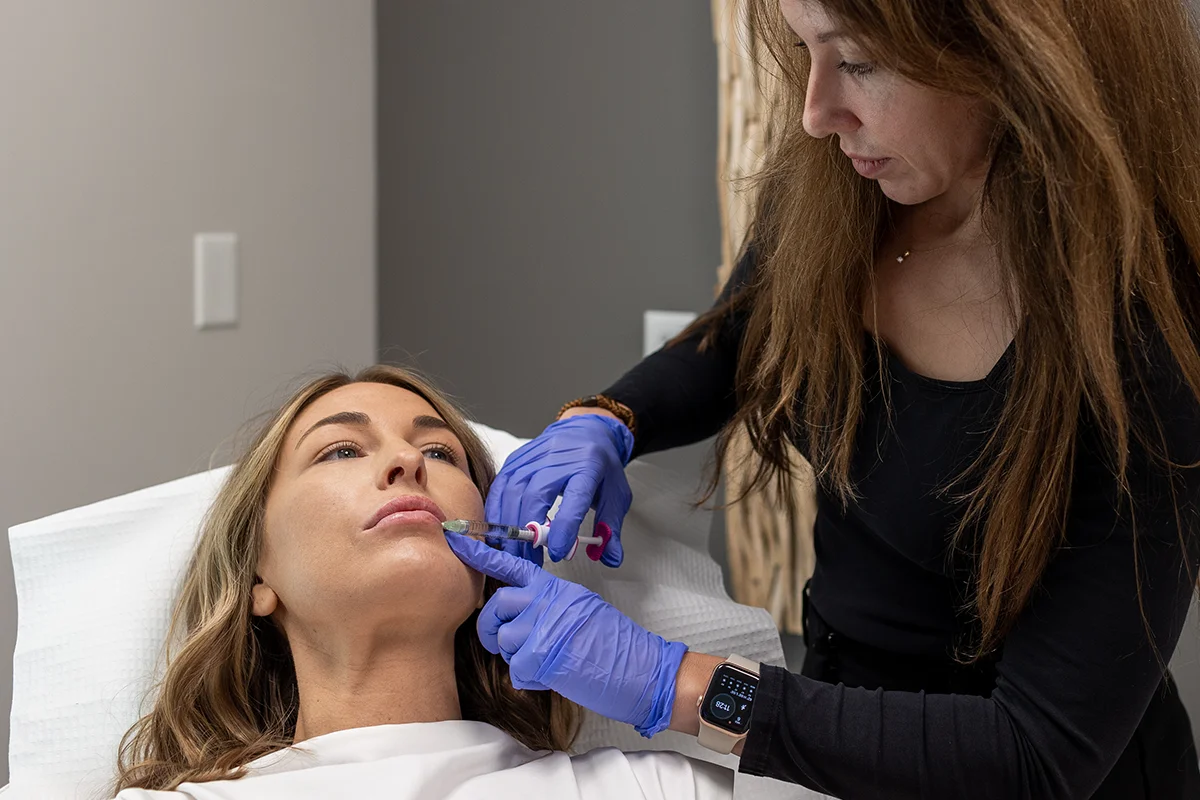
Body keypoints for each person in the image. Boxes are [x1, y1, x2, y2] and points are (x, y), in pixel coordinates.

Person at [450, 0, 1200, 796]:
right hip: (834, 717)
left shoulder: (1150, 333)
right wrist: (609, 417)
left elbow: (1035, 755)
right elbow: (743, 336)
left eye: (860, 62)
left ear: (1013, 52)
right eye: (806, 50)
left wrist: (676, 684)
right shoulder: (845, 182)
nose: (816, 115)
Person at [110, 366, 731, 800]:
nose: (407, 460)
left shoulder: (652, 789)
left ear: (490, 560)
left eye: (440, 453)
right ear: (257, 576)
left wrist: (682, 684)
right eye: (341, 450)